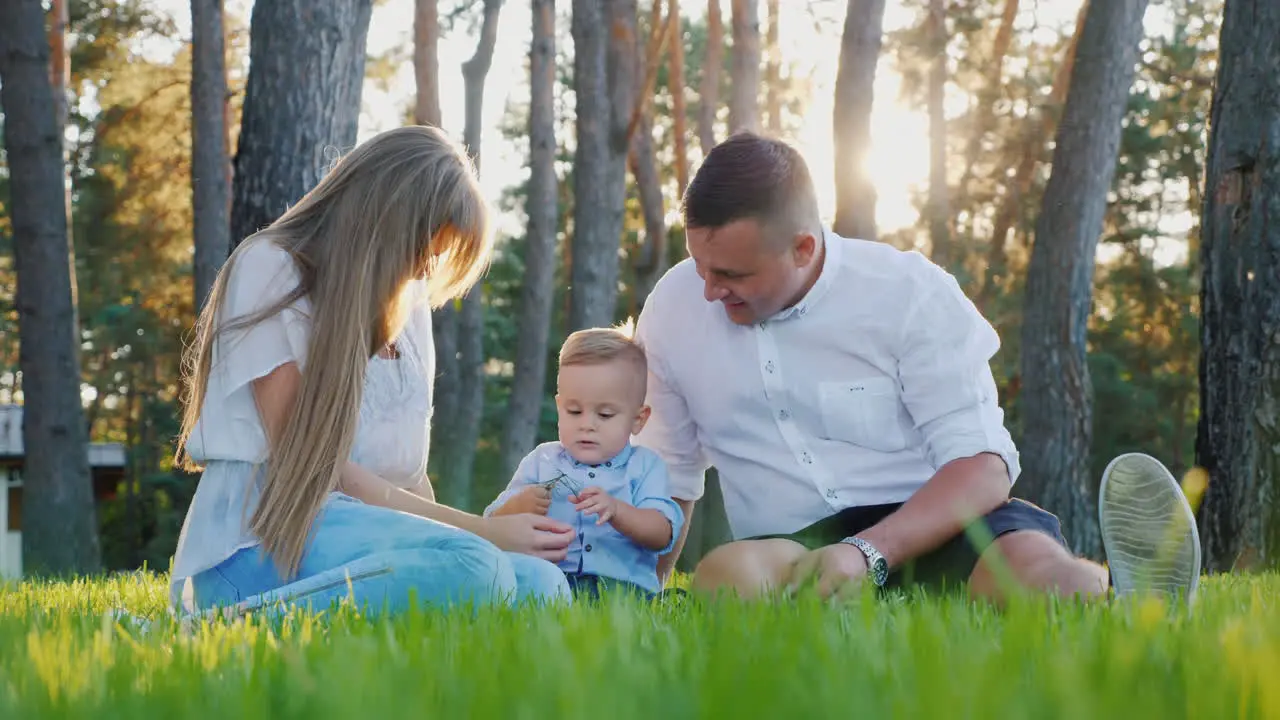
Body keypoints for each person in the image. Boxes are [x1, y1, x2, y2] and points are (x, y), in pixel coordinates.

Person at [633, 131, 1202, 605]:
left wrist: (867, 554)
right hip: (795, 550)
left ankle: (1127, 602)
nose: (708, 291)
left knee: (1032, 575)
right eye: (699, 265)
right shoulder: (675, 306)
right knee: (725, 578)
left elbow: (982, 468)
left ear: (803, 248)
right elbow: (670, 474)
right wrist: (643, 595)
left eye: (731, 274)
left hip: (941, 525)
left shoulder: (908, 293)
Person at [168, 125, 576, 619]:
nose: (428, 271)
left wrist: (448, 539)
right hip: (264, 546)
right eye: (427, 250)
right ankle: (218, 624)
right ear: (388, 221)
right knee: (480, 568)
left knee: (542, 583)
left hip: (363, 539)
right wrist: (479, 533)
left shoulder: (409, 302)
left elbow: (408, 479)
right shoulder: (270, 268)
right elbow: (317, 466)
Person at [483, 327, 684, 600]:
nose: (587, 425)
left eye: (605, 414)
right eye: (574, 411)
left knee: (672, 601)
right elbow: (490, 526)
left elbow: (662, 533)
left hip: (622, 589)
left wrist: (618, 511)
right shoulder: (541, 461)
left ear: (638, 419)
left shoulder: (644, 466)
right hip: (550, 584)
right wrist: (518, 506)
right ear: (559, 408)